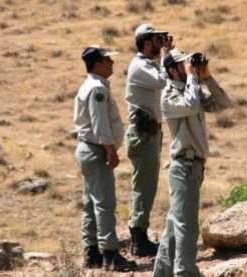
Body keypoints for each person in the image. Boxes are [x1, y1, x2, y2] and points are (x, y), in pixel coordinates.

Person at [153, 48, 232, 277]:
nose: (188, 66)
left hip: (194, 167)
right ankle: (185, 272)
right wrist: (192, 78)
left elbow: (223, 104)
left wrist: (206, 77)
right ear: (172, 70)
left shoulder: (192, 89)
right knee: (187, 227)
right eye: (182, 63)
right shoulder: (169, 95)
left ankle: (162, 272)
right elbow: (191, 105)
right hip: (183, 167)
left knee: (174, 225)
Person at [74, 45, 137, 272]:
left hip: (87, 149)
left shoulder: (90, 85)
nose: (112, 63)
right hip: (96, 150)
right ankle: (110, 254)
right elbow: (100, 124)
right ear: (98, 64)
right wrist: (111, 150)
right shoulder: (97, 89)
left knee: (91, 204)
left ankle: (92, 254)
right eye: (108, 60)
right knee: (104, 204)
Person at [124, 23, 173, 257]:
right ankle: (138, 239)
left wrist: (165, 54)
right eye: (155, 40)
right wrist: (165, 56)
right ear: (145, 43)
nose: (159, 43)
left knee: (148, 186)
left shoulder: (148, 65)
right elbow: (163, 81)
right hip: (142, 135)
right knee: (143, 187)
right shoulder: (140, 67)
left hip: (149, 134)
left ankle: (140, 235)